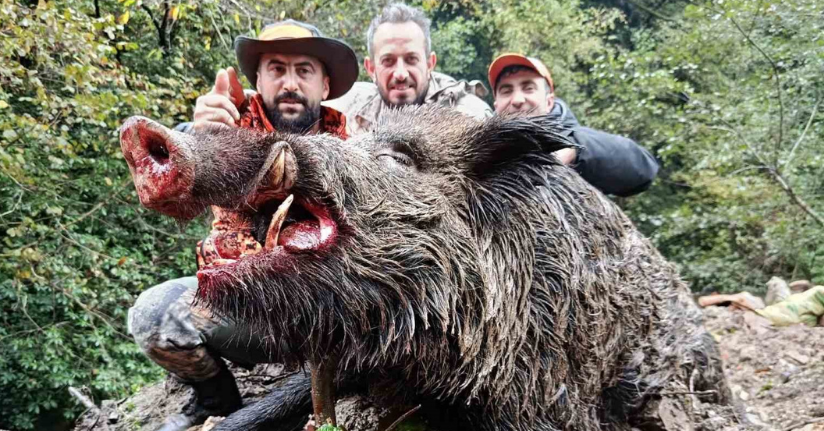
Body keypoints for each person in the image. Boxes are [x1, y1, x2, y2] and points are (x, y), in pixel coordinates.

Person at [127, 19, 358, 431]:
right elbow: (172, 197)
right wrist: (193, 139)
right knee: (152, 314)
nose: (290, 82)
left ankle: (314, 400)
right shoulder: (225, 125)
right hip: (241, 306)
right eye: (277, 69)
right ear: (258, 80)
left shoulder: (353, 144)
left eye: (304, 70)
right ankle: (216, 399)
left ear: (324, 86)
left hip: (324, 316)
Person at [488, 54, 659, 197]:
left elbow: (644, 169)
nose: (517, 100)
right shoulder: (484, 154)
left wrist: (576, 150)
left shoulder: (574, 139)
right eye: (506, 90)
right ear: (496, 105)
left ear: (549, 102)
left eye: (528, 88)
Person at [324, 3, 493, 135]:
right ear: (371, 69)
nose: (400, 74)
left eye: (411, 59)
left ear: (429, 64)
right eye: (388, 61)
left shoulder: (470, 118)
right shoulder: (346, 112)